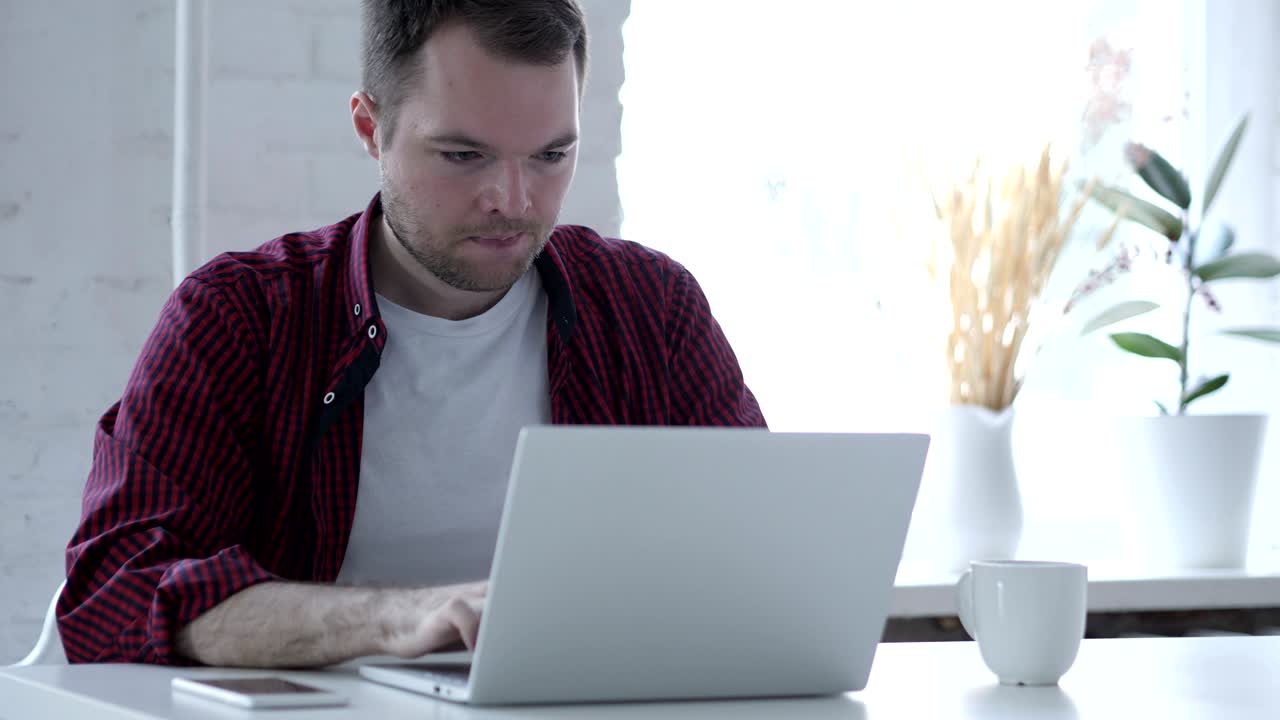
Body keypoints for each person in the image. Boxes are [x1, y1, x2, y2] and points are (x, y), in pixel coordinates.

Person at [59, 0, 764, 668]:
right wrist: (397, 620)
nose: (513, 201)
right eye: (464, 156)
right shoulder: (240, 318)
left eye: (550, 156)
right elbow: (115, 590)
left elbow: (764, 559)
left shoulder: (651, 308)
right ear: (371, 127)